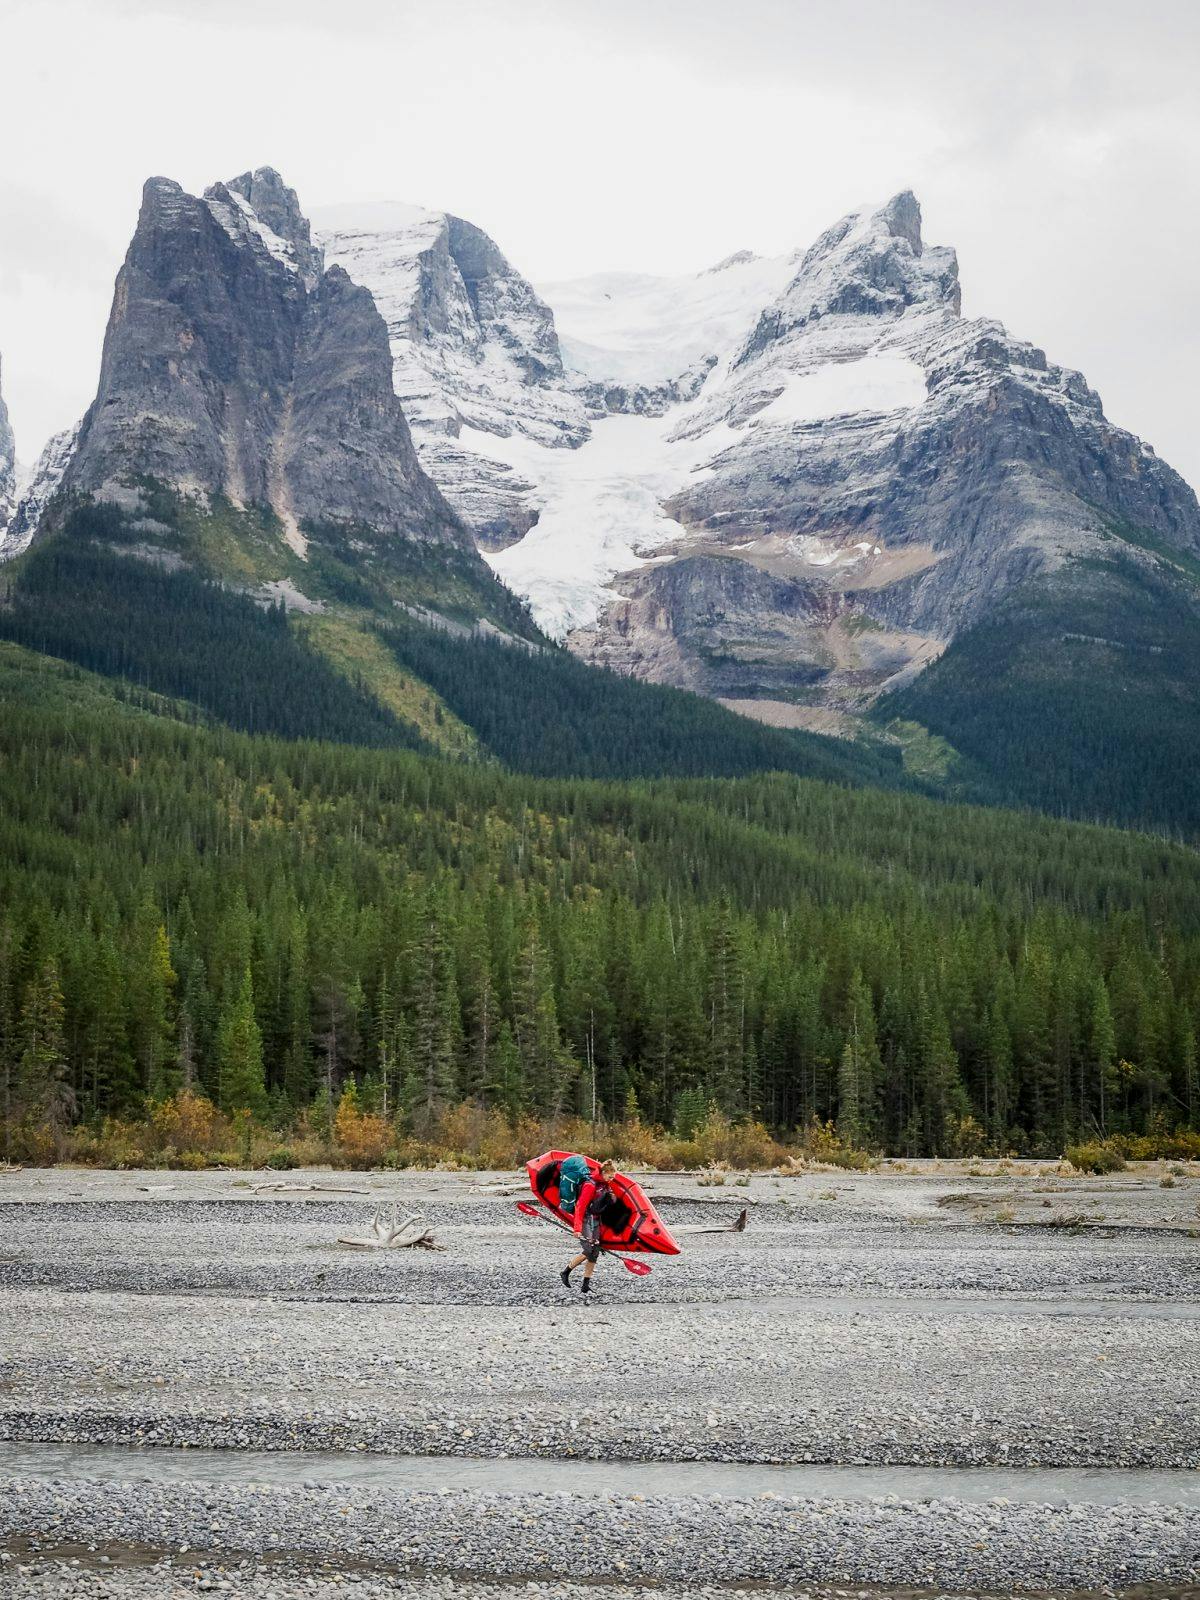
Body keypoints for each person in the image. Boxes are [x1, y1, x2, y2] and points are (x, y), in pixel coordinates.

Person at [559, 1156, 617, 1294]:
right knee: (588, 1250)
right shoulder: (590, 1185)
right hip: (586, 1220)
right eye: (611, 1176)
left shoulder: (604, 1185)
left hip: (596, 1220)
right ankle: (566, 1272)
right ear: (604, 1173)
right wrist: (577, 1229)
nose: (612, 1179)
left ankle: (585, 1285)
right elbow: (580, 1207)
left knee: (595, 1252)